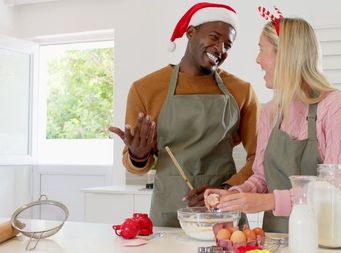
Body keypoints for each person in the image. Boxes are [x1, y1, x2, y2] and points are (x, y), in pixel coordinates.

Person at [109, 2, 260, 227]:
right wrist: (138, 155)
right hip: (169, 210)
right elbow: (134, 167)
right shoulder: (146, 89)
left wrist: (226, 190)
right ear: (191, 33)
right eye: (214, 37)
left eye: (228, 44)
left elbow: (258, 158)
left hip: (224, 211)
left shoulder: (242, 91)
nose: (220, 49)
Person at [204, 16, 341, 233]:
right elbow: (261, 177)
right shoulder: (271, 112)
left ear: (285, 56)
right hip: (276, 237)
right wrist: (237, 195)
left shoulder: (336, 107)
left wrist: (269, 202)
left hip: (327, 237)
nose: (258, 60)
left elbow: (335, 190)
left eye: (261, 50)